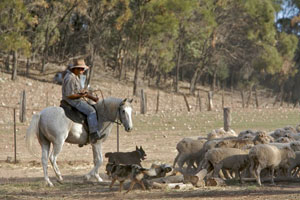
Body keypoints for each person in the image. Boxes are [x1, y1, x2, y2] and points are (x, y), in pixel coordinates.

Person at [62, 58, 104, 144]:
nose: (83, 70)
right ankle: (93, 134)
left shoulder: (76, 77)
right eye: (81, 69)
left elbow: (81, 92)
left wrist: (93, 98)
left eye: (83, 69)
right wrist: (81, 95)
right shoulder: (70, 78)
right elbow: (69, 95)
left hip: (76, 99)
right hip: (72, 101)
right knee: (91, 111)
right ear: (75, 69)